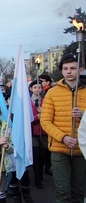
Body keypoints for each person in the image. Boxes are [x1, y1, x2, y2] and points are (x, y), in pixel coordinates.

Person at [40, 54, 86, 203]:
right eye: (65, 69)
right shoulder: (52, 93)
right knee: (63, 192)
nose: (69, 71)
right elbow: (45, 121)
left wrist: (84, 115)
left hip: (81, 149)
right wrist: (63, 137)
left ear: (81, 70)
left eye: (73, 68)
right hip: (60, 149)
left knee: (78, 192)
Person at [28, 79, 48, 189]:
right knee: (36, 155)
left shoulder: (45, 100)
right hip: (33, 132)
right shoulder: (28, 102)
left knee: (43, 155)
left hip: (44, 132)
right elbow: (27, 118)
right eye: (35, 87)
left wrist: (43, 113)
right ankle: (37, 179)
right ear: (31, 89)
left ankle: (41, 174)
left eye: (39, 87)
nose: (37, 90)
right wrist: (37, 117)